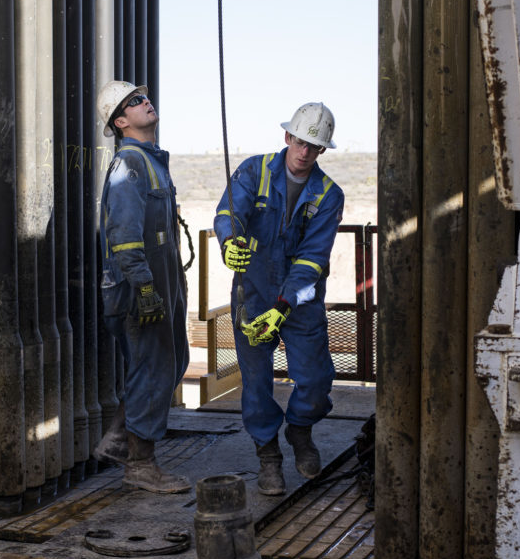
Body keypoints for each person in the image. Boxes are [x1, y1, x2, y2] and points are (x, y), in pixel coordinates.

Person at [213, 102, 344, 495]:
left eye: (314, 146)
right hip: (252, 293)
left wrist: (284, 305)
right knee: (256, 382)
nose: (304, 152)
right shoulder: (254, 170)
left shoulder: (328, 194)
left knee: (317, 381)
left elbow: (313, 259)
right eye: (300, 141)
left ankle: (300, 431)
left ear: (322, 151)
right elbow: (227, 213)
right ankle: (268, 454)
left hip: (299, 302)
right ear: (288, 136)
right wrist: (230, 241)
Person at [93, 80, 190, 494]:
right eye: (134, 101)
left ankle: (119, 440)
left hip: (162, 281)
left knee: (170, 363)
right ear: (120, 121)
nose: (144, 101)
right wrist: (146, 288)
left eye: (144, 97)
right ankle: (141, 464)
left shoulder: (150, 161)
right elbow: (125, 235)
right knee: (152, 370)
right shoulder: (129, 165)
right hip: (141, 287)